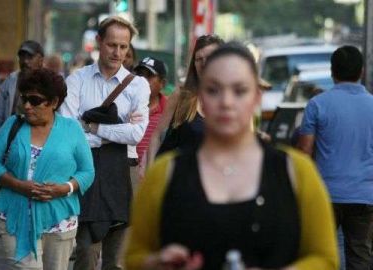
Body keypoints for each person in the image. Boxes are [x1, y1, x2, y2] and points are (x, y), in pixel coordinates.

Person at [125, 43, 339, 270]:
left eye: (239, 90)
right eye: (213, 90)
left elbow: (325, 258)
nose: (226, 102)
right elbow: (134, 256)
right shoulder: (165, 173)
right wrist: (157, 263)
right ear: (201, 97)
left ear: (257, 97)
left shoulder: (297, 171)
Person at [59, 16, 150, 270]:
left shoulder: (138, 85)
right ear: (99, 41)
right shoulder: (77, 80)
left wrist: (92, 126)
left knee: (118, 259)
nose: (117, 52)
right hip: (86, 170)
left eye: (123, 47)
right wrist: (117, 129)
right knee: (86, 254)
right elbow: (69, 130)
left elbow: (136, 135)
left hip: (124, 170)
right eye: (112, 45)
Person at [0, 68, 94, 269]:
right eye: (24, 99)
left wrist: (64, 189)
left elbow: (87, 172)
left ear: (53, 102)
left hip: (59, 219)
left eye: (34, 100)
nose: (27, 106)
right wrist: (18, 185)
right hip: (14, 217)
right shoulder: (13, 125)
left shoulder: (72, 129)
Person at [297, 45, 373, 270]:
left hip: (325, 194)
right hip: (365, 195)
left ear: (332, 71)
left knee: (320, 255)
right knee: (361, 256)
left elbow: (304, 153)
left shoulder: (317, 105)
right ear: (361, 72)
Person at [146, 35, 224, 167]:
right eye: (199, 59)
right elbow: (157, 135)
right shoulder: (182, 95)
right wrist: (151, 174)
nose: (204, 63)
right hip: (179, 179)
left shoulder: (232, 99)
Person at [0, 40, 44, 154]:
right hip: (10, 148)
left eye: (30, 57)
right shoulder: (10, 82)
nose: (25, 61)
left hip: (39, 150)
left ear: (40, 60)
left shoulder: (49, 84)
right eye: (22, 57)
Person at [133, 57, 168, 181]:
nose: (143, 80)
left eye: (149, 76)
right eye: (140, 75)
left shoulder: (170, 112)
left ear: (162, 83)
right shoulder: (124, 106)